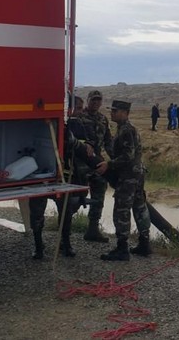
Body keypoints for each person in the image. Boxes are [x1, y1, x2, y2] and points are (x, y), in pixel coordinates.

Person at [29, 96, 102, 259]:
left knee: (66, 212)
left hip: (66, 176)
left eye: (81, 109)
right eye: (77, 108)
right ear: (68, 109)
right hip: (42, 175)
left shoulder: (78, 125)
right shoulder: (49, 122)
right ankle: (38, 245)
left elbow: (87, 147)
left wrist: (92, 153)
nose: (79, 112)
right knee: (37, 212)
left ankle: (65, 243)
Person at [95, 100, 152, 261]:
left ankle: (122, 248)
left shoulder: (127, 130)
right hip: (136, 175)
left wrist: (109, 164)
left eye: (115, 111)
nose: (112, 113)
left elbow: (128, 156)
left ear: (125, 112)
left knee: (122, 210)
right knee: (139, 206)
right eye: (112, 110)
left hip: (129, 177)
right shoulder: (123, 129)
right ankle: (144, 244)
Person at [81, 90, 113, 243]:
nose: (95, 103)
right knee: (72, 198)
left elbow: (108, 142)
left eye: (98, 100)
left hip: (97, 162)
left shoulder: (103, 119)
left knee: (100, 189)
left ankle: (93, 229)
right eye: (93, 100)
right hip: (79, 163)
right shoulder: (79, 116)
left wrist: (116, 160)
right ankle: (64, 234)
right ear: (88, 101)